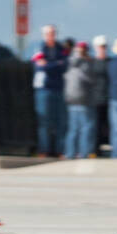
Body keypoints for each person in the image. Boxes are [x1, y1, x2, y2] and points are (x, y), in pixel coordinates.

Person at [32, 24, 68, 157]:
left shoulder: (61, 49)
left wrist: (49, 64)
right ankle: (44, 150)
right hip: (44, 90)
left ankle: (60, 150)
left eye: (53, 33)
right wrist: (55, 64)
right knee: (44, 122)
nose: (51, 36)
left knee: (60, 121)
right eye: (48, 33)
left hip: (59, 88)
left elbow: (65, 65)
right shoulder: (39, 48)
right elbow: (40, 67)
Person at [63, 41, 96, 159]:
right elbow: (91, 79)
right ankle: (84, 153)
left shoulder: (68, 62)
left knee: (73, 129)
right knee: (86, 128)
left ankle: (70, 153)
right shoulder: (86, 63)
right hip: (84, 99)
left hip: (70, 99)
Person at [89, 35, 110, 156]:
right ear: (95, 47)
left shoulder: (111, 62)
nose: (102, 48)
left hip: (109, 99)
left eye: (104, 46)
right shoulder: (91, 62)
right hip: (95, 99)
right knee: (96, 126)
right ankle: (95, 150)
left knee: (109, 127)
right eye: (100, 46)